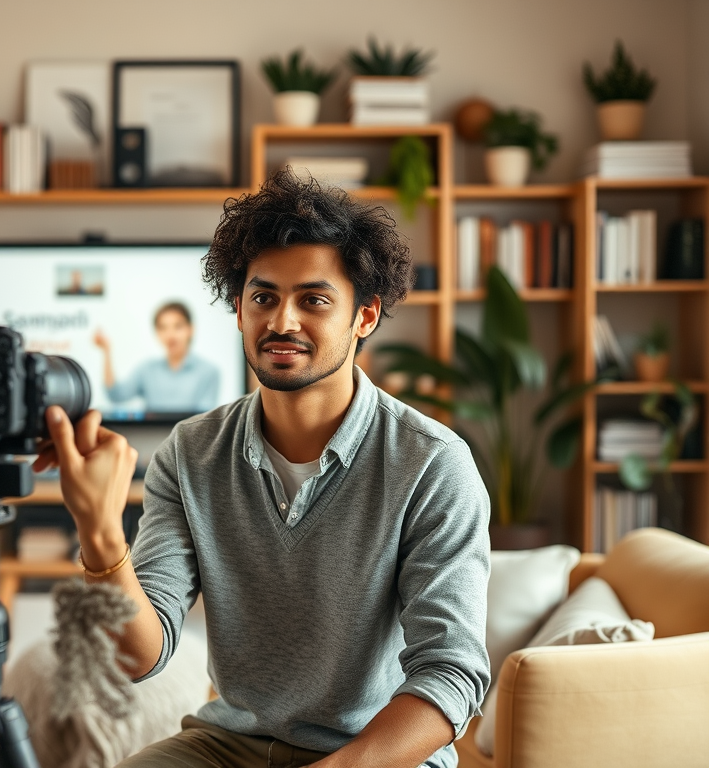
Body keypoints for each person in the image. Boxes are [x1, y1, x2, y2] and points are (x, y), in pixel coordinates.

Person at [34, 170, 491, 768]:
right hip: (227, 745)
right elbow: (138, 657)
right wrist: (98, 532)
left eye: (315, 299)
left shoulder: (433, 463)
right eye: (264, 297)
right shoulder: (190, 452)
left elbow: (450, 674)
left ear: (366, 316)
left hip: (372, 755)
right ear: (239, 308)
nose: (282, 322)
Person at [93, 302, 220, 414]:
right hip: (153, 439)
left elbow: (205, 419)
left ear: (190, 329)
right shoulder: (147, 369)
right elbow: (116, 395)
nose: (170, 334)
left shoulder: (209, 371)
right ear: (157, 333)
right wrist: (106, 351)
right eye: (163, 327)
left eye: (178, 326)